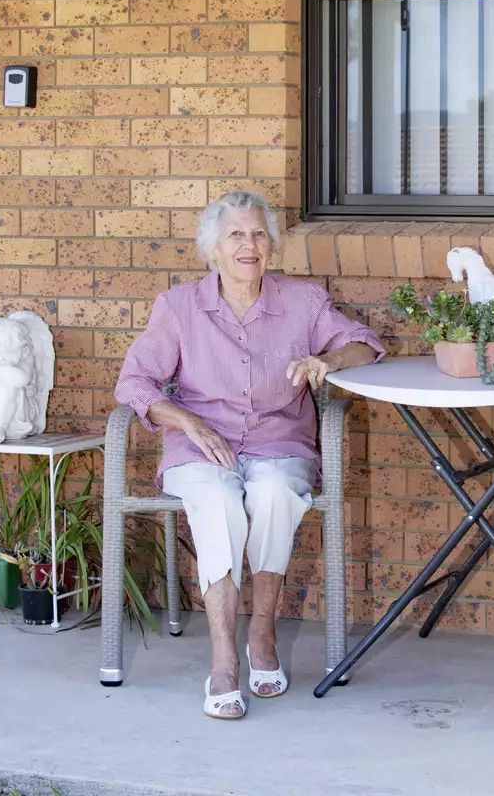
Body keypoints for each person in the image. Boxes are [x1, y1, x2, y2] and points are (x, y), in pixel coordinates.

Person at [114, 189, 384, 720]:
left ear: (272, 246)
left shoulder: (302, 301)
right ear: (212, 247)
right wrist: (187, 421)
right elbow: (134, 382)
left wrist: (326, 361)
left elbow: (365, 344)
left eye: (259, 234)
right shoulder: (178, 307)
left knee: (275, 493)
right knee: (217, 501)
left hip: (278, 440)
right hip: (200, 444)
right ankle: (223, 658)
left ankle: (262, 632)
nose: (249, 245)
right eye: (236, 234)